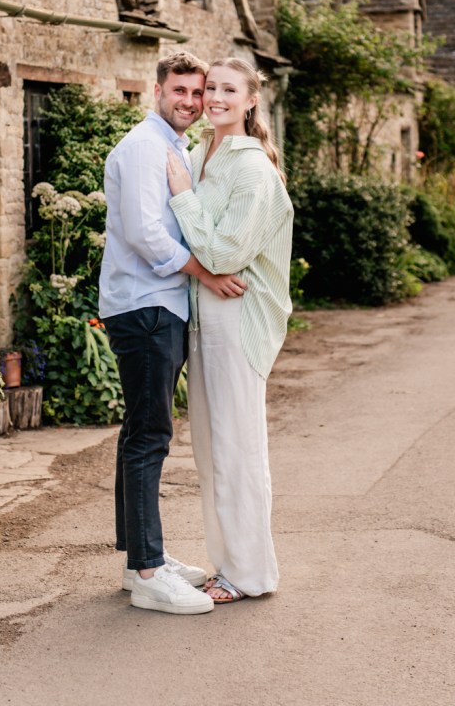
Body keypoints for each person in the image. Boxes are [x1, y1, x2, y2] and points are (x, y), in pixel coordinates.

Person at [99, 50, 247, 616]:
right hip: (144, 308)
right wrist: (206, 272)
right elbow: (145, 235)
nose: (190, 101)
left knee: (140, 429)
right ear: (157, 90)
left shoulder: (171, 146)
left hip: (155, 307)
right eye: (180, 91)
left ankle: (142, 554)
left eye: (197, 92)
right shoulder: (144, 147)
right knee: (150, 436)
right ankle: (147, 572)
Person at [166, 57, 293, 603]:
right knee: (212, 449)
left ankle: (251, 574)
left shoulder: (252, 169)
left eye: (226, 89)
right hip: (205, 311)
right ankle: (228, 565)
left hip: (240, 317)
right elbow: (202, 257)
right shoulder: (200, 153)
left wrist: (181, 195)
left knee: (239, 448)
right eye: (209, 87)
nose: (213, 97)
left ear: (250, 101)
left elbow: (223, 252)